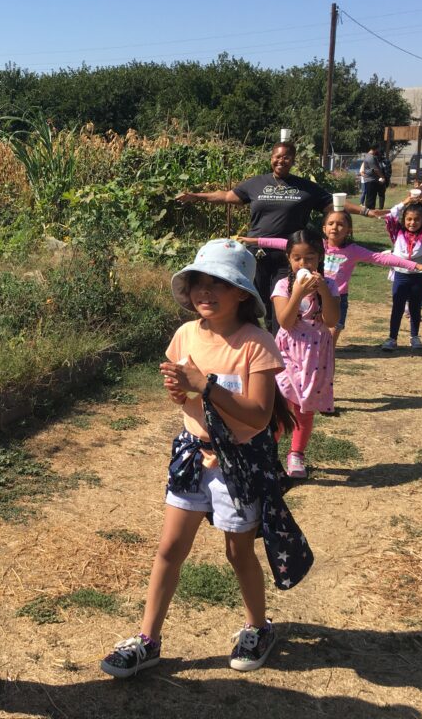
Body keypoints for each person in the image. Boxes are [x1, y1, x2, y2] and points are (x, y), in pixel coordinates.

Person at [100, 239, 310, 680]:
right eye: (199, 282)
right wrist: (181, 389)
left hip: (241, 461)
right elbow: (186, 394)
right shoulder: (185, 335)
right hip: (192, 453)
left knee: (238, 552)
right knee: (169, 549)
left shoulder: (257, 343)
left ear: (242, 294)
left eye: (220, 284)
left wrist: (207, 384)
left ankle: (257, 627)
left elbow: (256, 413)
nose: (206, 292)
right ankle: (148, 639)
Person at [176, 141, 364, 334]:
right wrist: (196, 196)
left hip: (290, 256)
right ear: (271, 158)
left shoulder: (306, 188)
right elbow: (226, 196)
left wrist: (366, 211)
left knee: (281, 299)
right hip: (256, 254)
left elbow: (335, 204)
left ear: (293, 160)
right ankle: (260, 341)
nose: (281, 160)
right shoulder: (256, 183)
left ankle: (280, 345)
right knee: (259, 300)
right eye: (277, 156)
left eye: (286, 157)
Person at [240, 208, 422, 347]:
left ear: (349, 229)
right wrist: (255, 241)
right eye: (331, 223)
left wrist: (416, 265)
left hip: (337, 299)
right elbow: (283, 243)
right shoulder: (315, 246)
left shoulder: (353, 250)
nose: (335, 227)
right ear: (324, 228)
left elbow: (382, 258)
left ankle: (324, 377)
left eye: (341, 224)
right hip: (308, 297)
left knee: (327, 344)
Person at [269, 230, 339, 477]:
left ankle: (296, 454)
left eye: (309, 258)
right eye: (297, 258)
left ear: (320, 257)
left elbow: (332, 320)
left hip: (315, 355)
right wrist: (297, 293)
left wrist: (323, 292)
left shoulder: (329, 285)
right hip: (287, 351)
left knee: (304, 407)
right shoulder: (282, 286)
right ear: (289, 258)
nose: (303, 264)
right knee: (281, 404)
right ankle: (270, 452)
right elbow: (285, 322)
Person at [379, 198, 422, 351]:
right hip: (400, 276)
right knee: (397, 308)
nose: (412, 223)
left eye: (417, 219)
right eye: (409, 219)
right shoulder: (397, 232)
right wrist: (405, 201)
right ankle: (392, 338)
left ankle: (415, 337)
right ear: (404, 219)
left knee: (415, 308)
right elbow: (390, 215)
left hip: (418, 276)